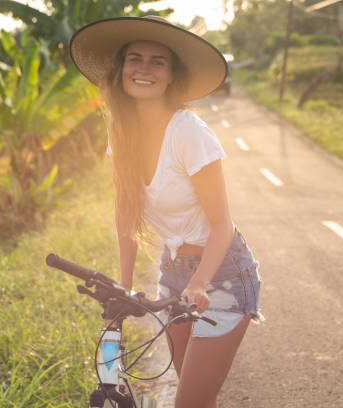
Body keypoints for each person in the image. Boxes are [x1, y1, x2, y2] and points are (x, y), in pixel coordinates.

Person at [70, 16, 262, 407]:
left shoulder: (188, 133)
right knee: (195, 397)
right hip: (173, 273)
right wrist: (121, 291)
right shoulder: (119, 130)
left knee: (188, 402)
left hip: (221, 274)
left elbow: (222, 225)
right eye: (135, 59)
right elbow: (126, 215)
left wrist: (200, 283)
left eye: (158, 61)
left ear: (172, 75)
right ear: (120, 70)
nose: (144, 68)